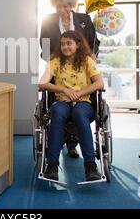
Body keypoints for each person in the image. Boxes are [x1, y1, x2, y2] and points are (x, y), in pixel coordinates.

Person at [40, 0, 100, 158]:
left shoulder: (84, 19)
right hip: (57, 66)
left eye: (66, 6)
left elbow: (94, 41)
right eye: (59, 7)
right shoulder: (48, 21)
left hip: (82, 65)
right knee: (59, 108)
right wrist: (52, 61)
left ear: (72, 5)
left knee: (79, 109)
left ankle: (72, 144)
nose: (63, 10)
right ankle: (59, 148)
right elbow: (44, 45)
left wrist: (92, 55)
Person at [39, 31, 104, 182]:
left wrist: (80, 93)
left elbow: (99, 83)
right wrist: (63, 90)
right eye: (63, 44)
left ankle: (90, 166)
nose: (65, 47)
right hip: (62, 101)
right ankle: (52, 166)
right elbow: (42, 83)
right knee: (57, 112)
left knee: (80, 114)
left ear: (78, 45)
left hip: (84, 102)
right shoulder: (55, 61)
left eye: (69, 43)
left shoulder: (87, 60)